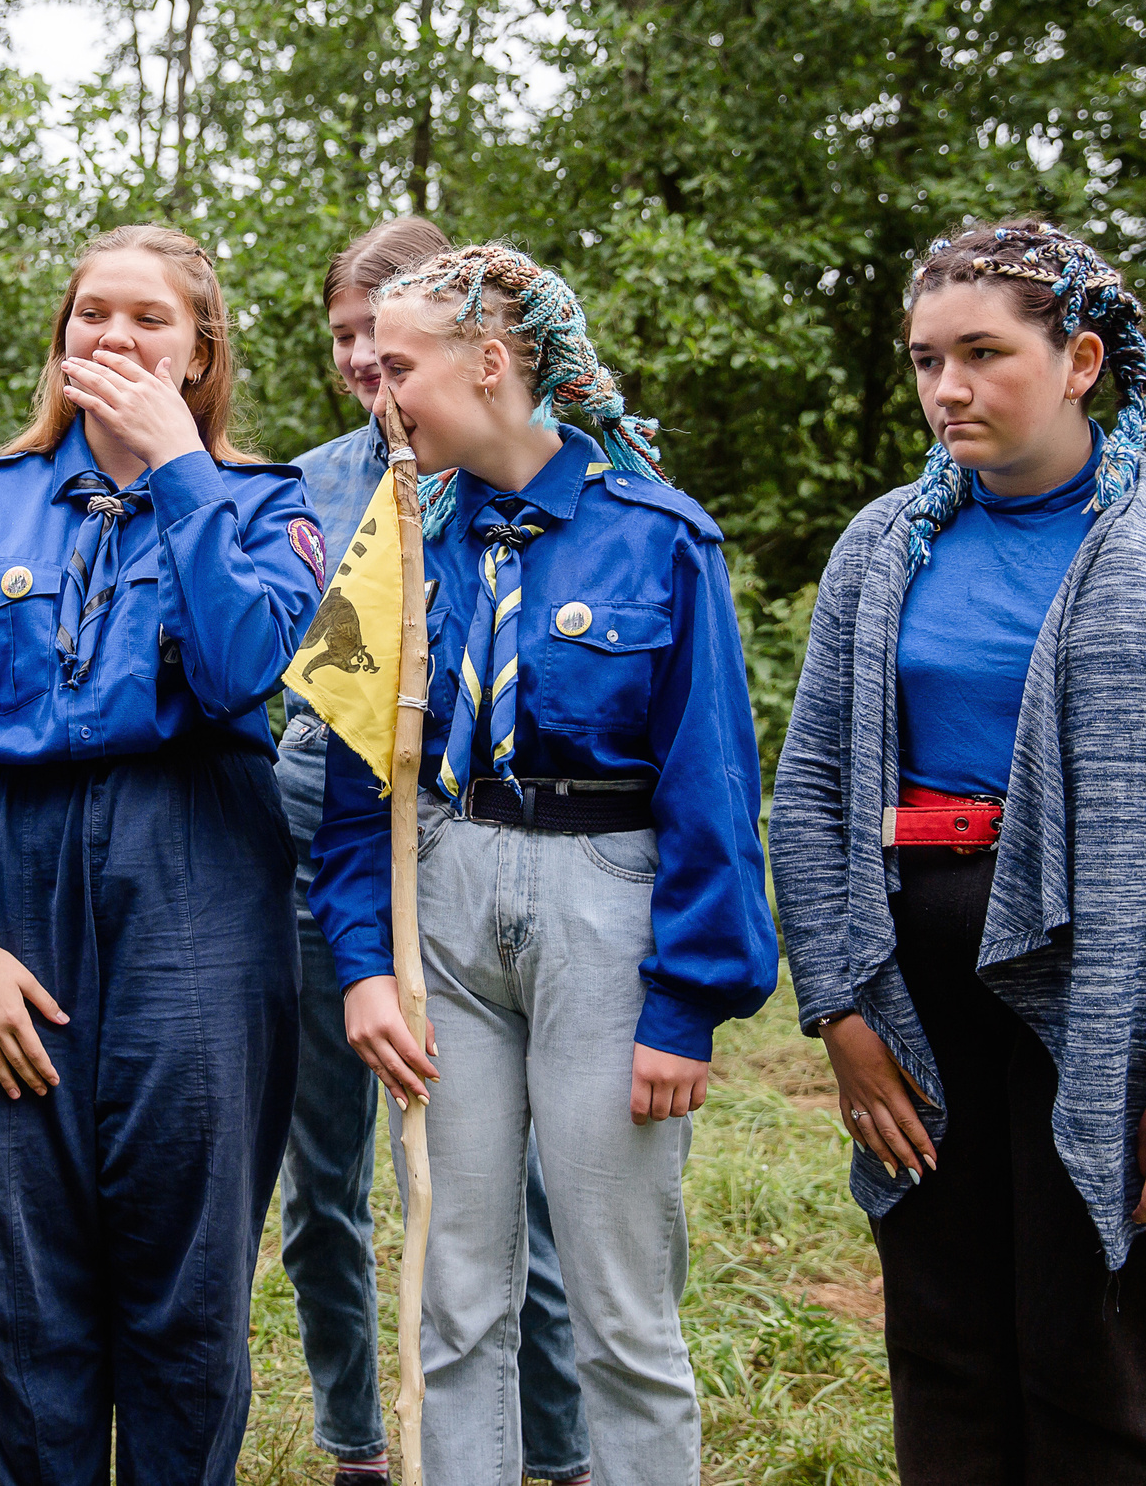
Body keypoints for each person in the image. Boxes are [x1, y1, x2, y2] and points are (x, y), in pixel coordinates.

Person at [770, 220, 1146, 1484]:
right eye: (923, 359)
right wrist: (842, 1011)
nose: (946, 389)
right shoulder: (881, 544)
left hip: (1111, 996)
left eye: (982, 354)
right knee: (943, 1350)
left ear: (1076, 361)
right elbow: (808, 793)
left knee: (1088, 1361)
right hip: (913, 990)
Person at [315, 245, 779, 1486]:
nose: (378, 390)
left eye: (400, 365)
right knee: (454, 1289)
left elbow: (713, 790)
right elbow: (362, 779)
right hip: (442, 905)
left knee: (620, 1303)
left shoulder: (659, 537)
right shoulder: (396, 538)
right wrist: (364, 965)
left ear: (490, 361)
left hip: (604, 913)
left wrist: (687, 1002)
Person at [0, 224, 322, 1484]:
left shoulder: (268, 504)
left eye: (150, 320)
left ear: (201, 354)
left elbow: (252, 670)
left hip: (197, 867)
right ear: (60, 338)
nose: (115, 339)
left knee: (184, 1279)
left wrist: (181, 472)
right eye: (93, 314)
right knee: (20, 1282)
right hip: (2, 871)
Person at [277, 220, 589, 1486]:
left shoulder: (515, 474)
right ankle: (362, 1437)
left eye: (382, 337)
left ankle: (552, 1448)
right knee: (324, 1184)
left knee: (504, 1189)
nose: (362, 360)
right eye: (345, 336)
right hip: (321, 856)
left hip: (473, 861)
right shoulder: (303, 486)